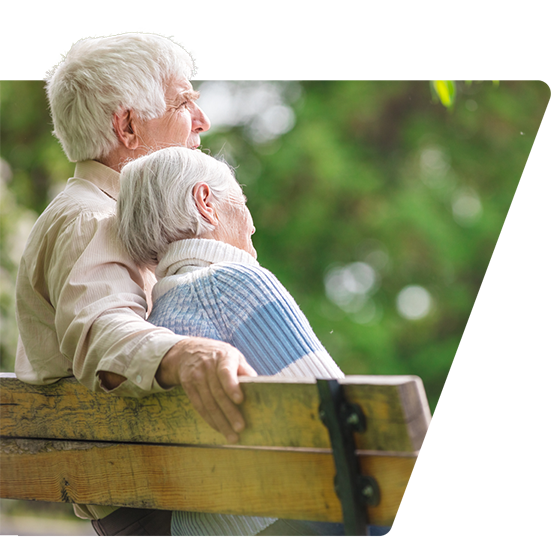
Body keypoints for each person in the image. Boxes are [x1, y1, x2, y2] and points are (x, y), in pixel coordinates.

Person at [116, 145, 551, 537]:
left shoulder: (158, 324)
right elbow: (355, 438)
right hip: (297, 520)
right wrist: (478, 481)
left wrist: (454, 469)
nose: (252, 223)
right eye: (243, 203)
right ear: (206, 204)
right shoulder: (233, 284)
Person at [14, 32, 257, 537]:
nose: (203, 121)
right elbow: (104, 331)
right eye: (185, 101)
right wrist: (190, 355)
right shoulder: (92, 219)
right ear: (127, 126)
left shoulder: (115, 217)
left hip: (169, 485)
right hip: (158, 504)